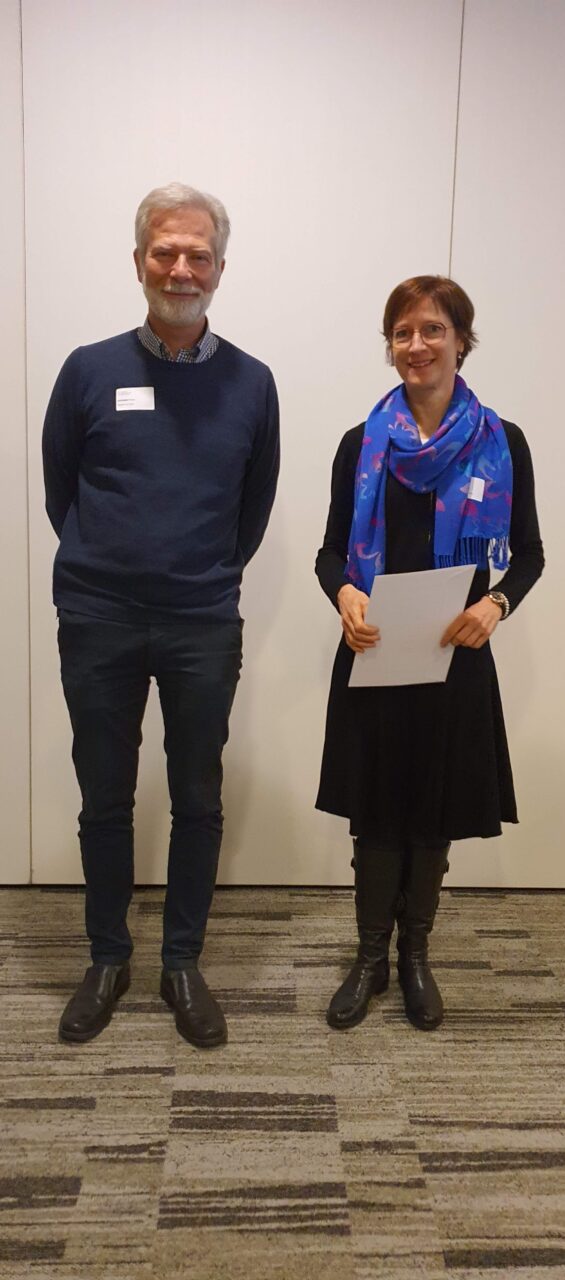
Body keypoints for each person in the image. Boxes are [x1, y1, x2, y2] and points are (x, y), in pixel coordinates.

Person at [43, 183, 279, 1048]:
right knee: (104, 797)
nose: (181, 269)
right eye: (165, 252)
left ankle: (182, 962)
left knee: (197, 797)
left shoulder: (252, 383)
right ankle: (108, 958)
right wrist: (110, 564)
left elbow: (252, 510)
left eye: (198, 255)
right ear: (139, 260)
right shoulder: (87, 369)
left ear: (220, 267)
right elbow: (62, 490)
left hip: (201, 621)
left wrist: (197, 572)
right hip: (99, 617)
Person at [315, 275, 543, 1033]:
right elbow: (329, 554)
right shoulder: (362, 444)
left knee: (432, 810)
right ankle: (369, 959)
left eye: (433, 329)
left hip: (457, 657)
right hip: (375, 652)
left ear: (461, 341)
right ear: (390, 346)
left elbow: (530, 555)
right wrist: (345, 595)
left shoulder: (504, 443)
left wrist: (494, 604)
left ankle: (415, 956)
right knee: (376, 812)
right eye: (403, 332)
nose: (417, 345)